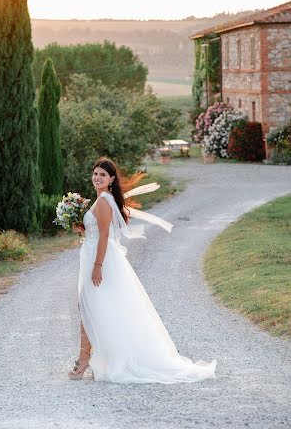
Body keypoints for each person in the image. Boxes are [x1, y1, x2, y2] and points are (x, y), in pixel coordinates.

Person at [69, 156, 217, 383]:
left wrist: (98, 266)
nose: (97, 178)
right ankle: (90, 358)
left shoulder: (105, 200)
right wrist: (82, 226)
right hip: (92, 257)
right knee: (94, 307)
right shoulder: (100, 200)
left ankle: (83, 361)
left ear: (111, 180)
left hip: (101, 261)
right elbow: (97, 230)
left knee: (88, 306)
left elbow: (105, 236)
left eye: (103, 175)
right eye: (95, 173)